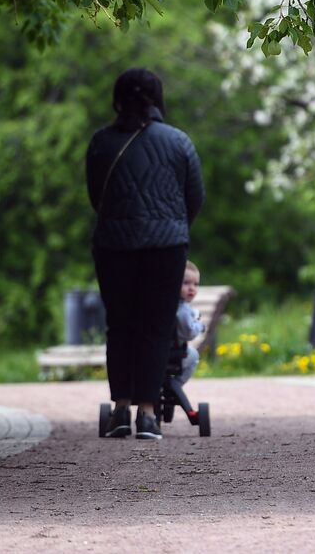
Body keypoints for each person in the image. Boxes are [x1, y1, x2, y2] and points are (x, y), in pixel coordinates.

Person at [86, 67, 204, 440]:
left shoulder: (102, 142)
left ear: (118, 98)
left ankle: (120, 410)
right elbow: (194, 197)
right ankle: (149, 416)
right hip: (166, 246)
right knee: (156, 327)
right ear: (157, 98)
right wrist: (171, 224)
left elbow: (95, 197)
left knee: (120, 325)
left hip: (114, 244)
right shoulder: (178, 142)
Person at [175, 260, 207, 383]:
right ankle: (175, 385)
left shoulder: (171, 306)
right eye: (186, 283)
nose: (191, 288)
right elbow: (188, 333)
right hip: (172, 354)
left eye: (196, 284)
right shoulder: (182, 309)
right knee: (193, 355)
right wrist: (200, 326)